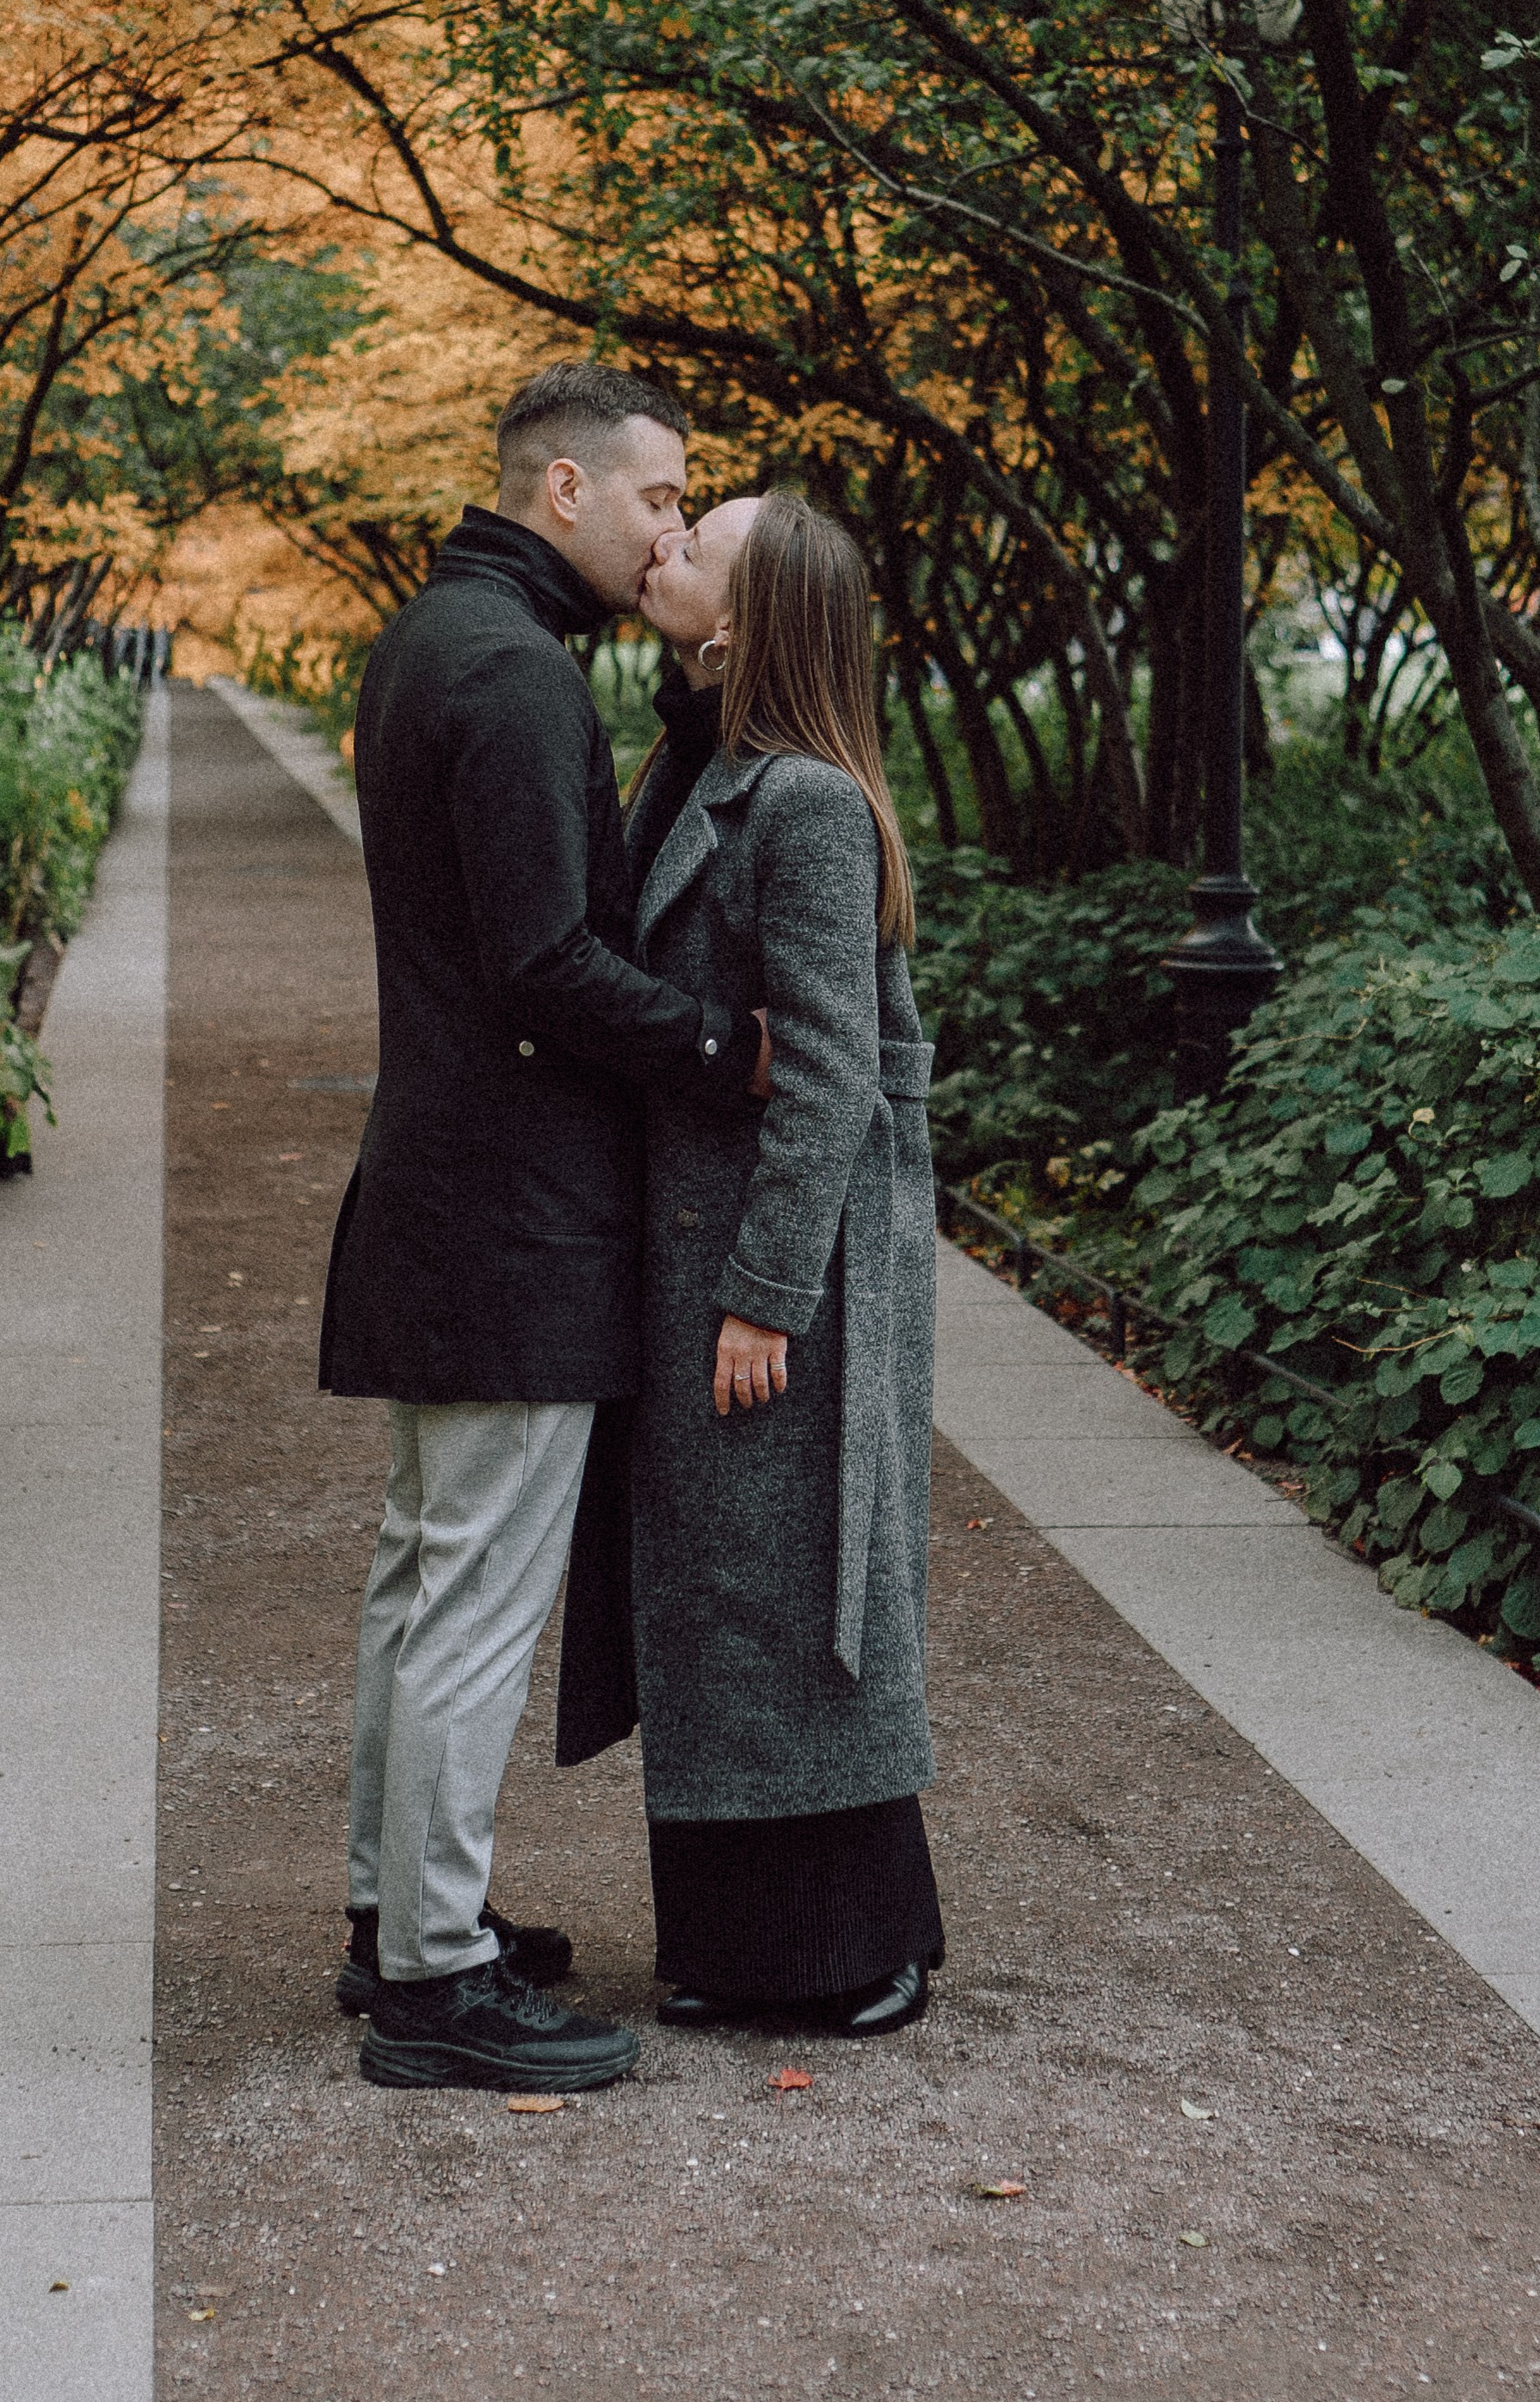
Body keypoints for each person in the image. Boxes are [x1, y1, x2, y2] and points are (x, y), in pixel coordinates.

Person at [318, 362, 768, 2093]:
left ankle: (396, 1925)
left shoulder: (443, 634)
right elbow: (546, 966)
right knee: (471, 1598)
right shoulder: (512, 675)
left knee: (423, 1575)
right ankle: (434, 1982)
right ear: (563, 490)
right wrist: (727, 1045)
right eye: (660, 497)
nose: (672, 525)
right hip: (509, 1211)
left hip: (449, 1186)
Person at [576, 487, 945, 2031]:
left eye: (694, 541)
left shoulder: (800, 801)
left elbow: (836, 1071)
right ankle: (740, 1943)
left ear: (744, 619)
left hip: (784, 1274)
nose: (660, 545)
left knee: (803, 1600)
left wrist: (765, 1297)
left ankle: (863, 1946)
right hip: (705, 1249)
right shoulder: (696, 761)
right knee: (728, 1594)